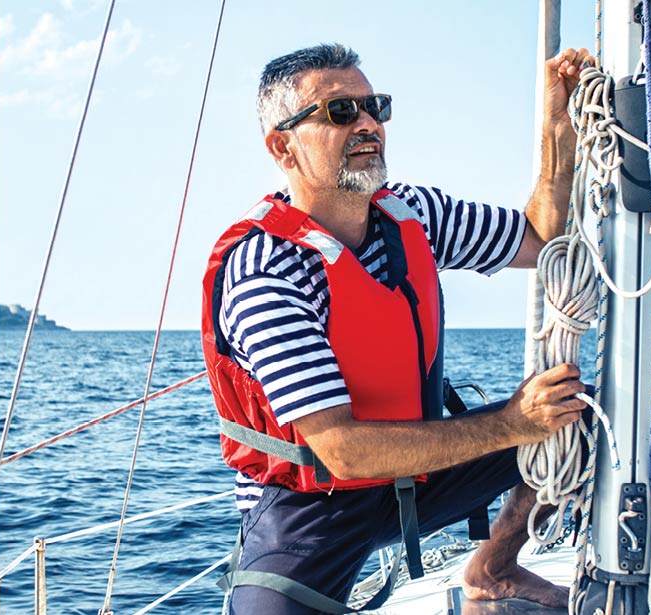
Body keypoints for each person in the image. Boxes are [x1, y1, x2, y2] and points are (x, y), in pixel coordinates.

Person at [201, 43, 595, 613]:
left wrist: (558, 133)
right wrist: (512, 423)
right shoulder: (267, 269)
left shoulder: (412, 214)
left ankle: (495, 568)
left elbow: (537, 238)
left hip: (418, 473)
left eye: (374, 107)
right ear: (282, 146)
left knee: (577, 417)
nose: (367, 124)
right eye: (340, 112)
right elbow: (343, 451)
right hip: (309, 510)